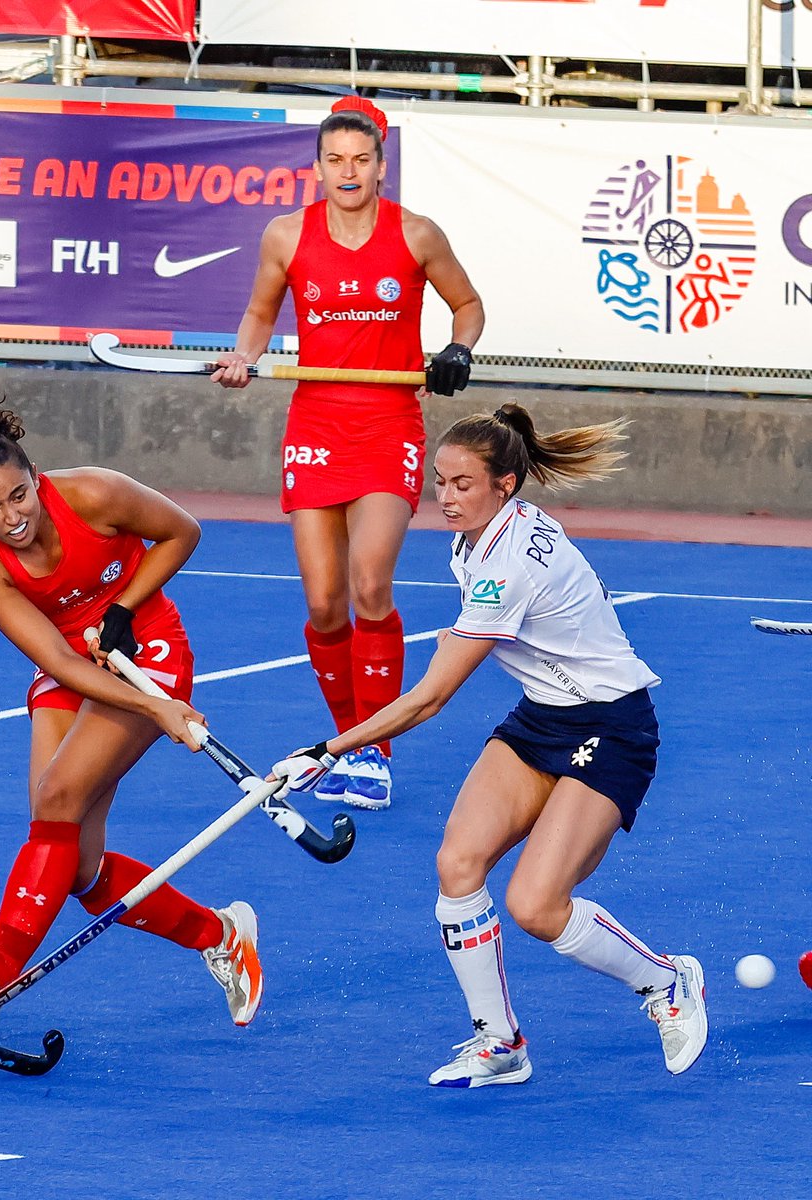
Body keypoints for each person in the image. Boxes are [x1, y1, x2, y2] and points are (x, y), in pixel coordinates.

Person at [271, 404, 708, 1086]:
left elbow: (429, 700)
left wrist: (325, 750)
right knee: (459, 863)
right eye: (439, 483)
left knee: (537, 906)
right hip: (544, 718)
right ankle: (499, 1042)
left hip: (612, 726)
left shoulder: (506, 564)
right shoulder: (477, 540)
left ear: (504, 484)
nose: (444, 498)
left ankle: (667, 982)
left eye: (462, 485)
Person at [0, 406, 263, 1032]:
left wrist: (127, 609)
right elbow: (52, 655)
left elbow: (183, 532)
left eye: (19, 496)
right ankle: (221, 935)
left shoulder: (95, 493)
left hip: (148, 648)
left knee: (58, 794)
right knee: (78, 865)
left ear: (38, 478)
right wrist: (154, 710)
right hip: (71, 665)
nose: (12, 518)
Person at [213, 95, 484, 811]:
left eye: (361, 159)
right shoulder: (285, 236)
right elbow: (260, 314)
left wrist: (458, 349)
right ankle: (347, 743)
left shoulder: (417, 234)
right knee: (325, 602)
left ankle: (373, 751)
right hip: (316, 427)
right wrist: (245, 355)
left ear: (381, 167)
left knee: (369, 584)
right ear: (318, 167)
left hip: (389, 423)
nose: (348, 171)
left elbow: (469, 305)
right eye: (335, 160)